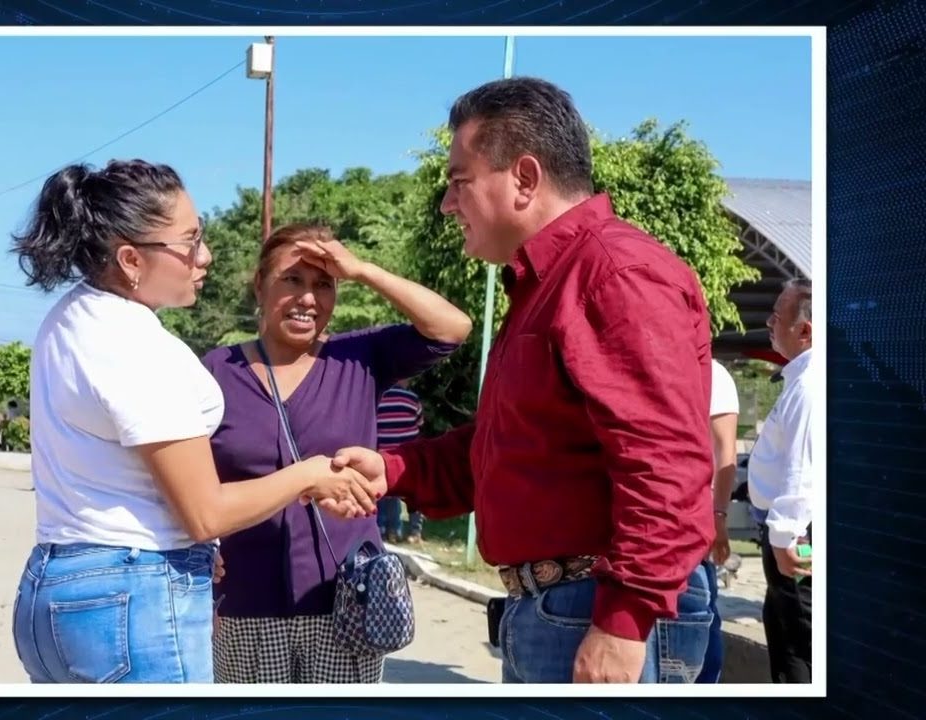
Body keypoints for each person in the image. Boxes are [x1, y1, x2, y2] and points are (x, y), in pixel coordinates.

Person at [333, 76, 716, 684]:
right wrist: (396, 470)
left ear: (525, 178)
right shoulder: (547, 285)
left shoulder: (612, 274)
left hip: (596, 607)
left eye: (460, 181)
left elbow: (664, 463)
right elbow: (514, 444)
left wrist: (623, 619)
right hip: (559, 607)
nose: (446, 204)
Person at [8, 159, 382, 685]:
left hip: (54, 585)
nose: (203, 256)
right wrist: (310, 473)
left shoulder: (69, 318)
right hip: (130, 595)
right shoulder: (138, 345)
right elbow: (204, 514)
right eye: (188, 242)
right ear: (131, 259)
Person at [203, 222, 470, 684]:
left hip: (347, 604)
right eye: (292, 280)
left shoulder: (359, 356)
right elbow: (189, 482)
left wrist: (362, 270)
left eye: (323, 284)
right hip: (242, 605)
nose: (308, 298)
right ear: (259, 286)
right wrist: (198, 550)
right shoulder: (215, 371)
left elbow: (452, 328)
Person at [748, 278, 813, 683]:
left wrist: (787, 536)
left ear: (805, 329)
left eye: (777, 315)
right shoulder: (799, 381)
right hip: (785, 540)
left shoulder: (809, 387)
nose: (769, 323)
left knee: (799, 649)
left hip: (795, 541)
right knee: (786, 635)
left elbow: (803, 465)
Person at [697, 358, 741, 683]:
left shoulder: (714, 374)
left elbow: (725, 453)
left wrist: (719, 518)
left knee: (702, 632)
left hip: (695, 526)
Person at [376, 380, 426, 544]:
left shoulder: (379, 398)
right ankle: (414, 532)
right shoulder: (412, 399)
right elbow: (419, 423)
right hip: (408, 457)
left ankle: (388, 529)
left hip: (384, 456)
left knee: (386, 494)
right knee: (414, 496)